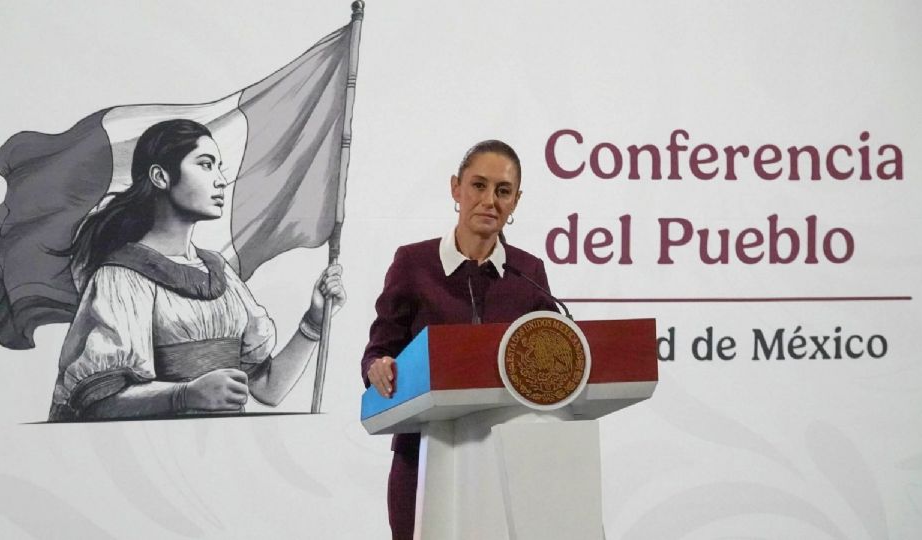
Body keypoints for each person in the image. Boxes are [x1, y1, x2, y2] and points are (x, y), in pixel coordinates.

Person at [48, 119, 345, 421]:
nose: (220, 180)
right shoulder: (122, 277)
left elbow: (269, 389)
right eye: (205, 165)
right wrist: (185, 394)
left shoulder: (221, 274)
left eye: (219, 168)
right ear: (160, 177)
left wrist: (314, 321)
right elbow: (98, 404)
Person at [360, 140, 559, 538]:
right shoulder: (413, 264)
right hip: (421, 454)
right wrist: (377, 368)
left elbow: (553, 357)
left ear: (516, 201)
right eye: (478, 186)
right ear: (456, 188)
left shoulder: (529, 272)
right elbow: (379, 350)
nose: (489, 201)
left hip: (505, 458)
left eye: (503, 191)